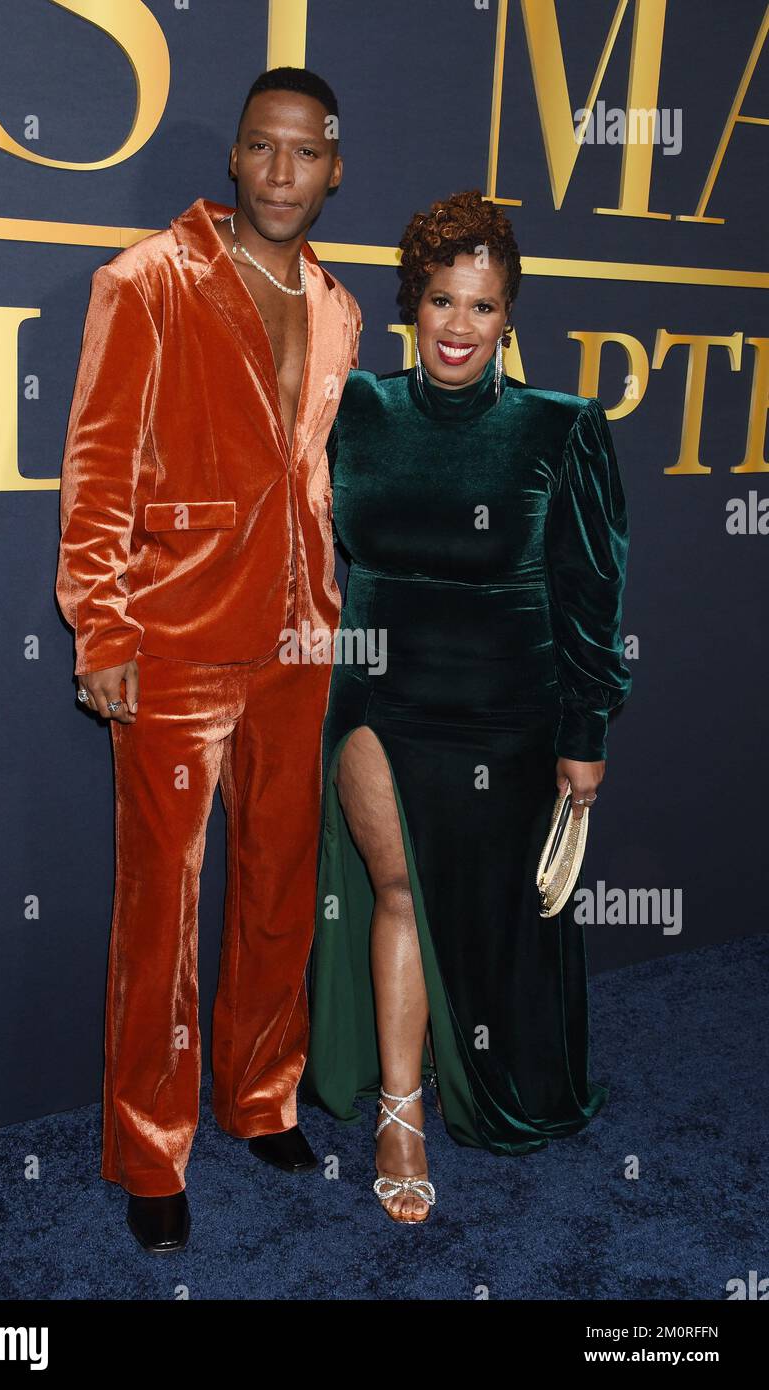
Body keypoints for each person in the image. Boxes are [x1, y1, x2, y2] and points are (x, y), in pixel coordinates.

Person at [55, 67, 361, 1252]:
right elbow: (96, 468)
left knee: (283, 885)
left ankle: (259, 1095)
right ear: (234, 160)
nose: (282, 172)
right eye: (262, 149)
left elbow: (311, 470)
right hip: (175, 642)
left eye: (306, 153)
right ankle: (149, 1146)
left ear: (335, 170)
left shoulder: (337, 307)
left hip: (300, 639)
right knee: (161, 914)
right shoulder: (147, 280)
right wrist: (104, 627)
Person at [303, 189, 632, 1223]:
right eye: (441, 299)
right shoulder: (353, 407)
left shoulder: (559, 426)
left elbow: (590, 590)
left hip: (511, 708)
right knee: (397, 886)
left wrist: (584, 733)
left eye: (481, 307)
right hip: (380, 697)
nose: (457, 325)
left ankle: (473, 1064)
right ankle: (399, 1110)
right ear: (412, 304)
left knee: (487, 913)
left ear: (508, 316)